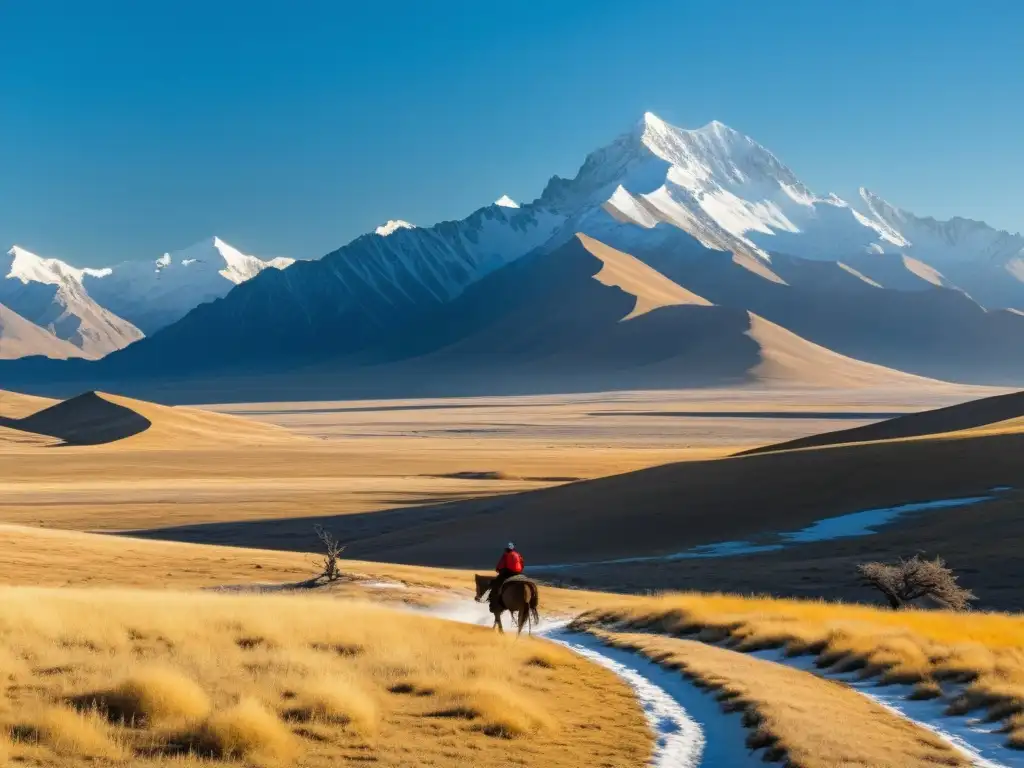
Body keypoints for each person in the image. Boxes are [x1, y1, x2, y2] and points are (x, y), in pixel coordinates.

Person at [488, 542, 524, 608]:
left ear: (507, 549)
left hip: (510, 572)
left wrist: (498, 569)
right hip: (519, 572)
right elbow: (522, 564)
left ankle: (493, 598)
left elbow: (501, 564)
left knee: (496, 582)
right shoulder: (518, 554)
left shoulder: (506, 554)